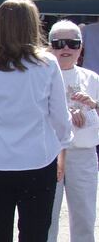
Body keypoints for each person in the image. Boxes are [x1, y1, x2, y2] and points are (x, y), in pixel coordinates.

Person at [0, 0, 72, 242]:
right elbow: (59, 117)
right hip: (38, 159)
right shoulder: (47, 65)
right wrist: (63, 146)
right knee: (35, 233)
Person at [46, 20, 99, 242]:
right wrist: (64, 114)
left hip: (84, 153)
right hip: (49, 154)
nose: (65, 49)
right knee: (46, 219)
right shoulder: (41, 76)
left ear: (81, 47)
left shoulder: (92, 78)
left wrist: (94, 104)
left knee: (85, 218)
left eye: (72, 43)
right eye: (59, 44)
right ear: (50, 47)